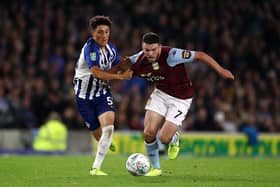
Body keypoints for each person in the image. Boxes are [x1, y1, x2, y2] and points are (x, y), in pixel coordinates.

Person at [111, 32, 234, 176]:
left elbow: (200, 55)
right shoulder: (138, 59)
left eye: (153, 50)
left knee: (164, 138)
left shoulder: (172, 55)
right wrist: (105, 74)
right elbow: (121, 66)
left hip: (181, 99)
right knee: (148, 132)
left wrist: (221, 70)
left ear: (159, 47)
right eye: (146, 50)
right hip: (161, 94)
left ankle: (174, 138)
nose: (150, 53)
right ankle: (156, 168)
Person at [73, 16, 132, 176]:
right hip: (84, 97)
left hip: (102, 93)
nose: (104, 35)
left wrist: (123, 66)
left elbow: (112, 71)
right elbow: (98, 73)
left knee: (108, 129)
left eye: (106, 32)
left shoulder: (112, 49)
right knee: (97, 133)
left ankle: (96, 168)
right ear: (93, 33)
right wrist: (121, 76)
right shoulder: (90, 48)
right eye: (100, 32)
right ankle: (105, 143)